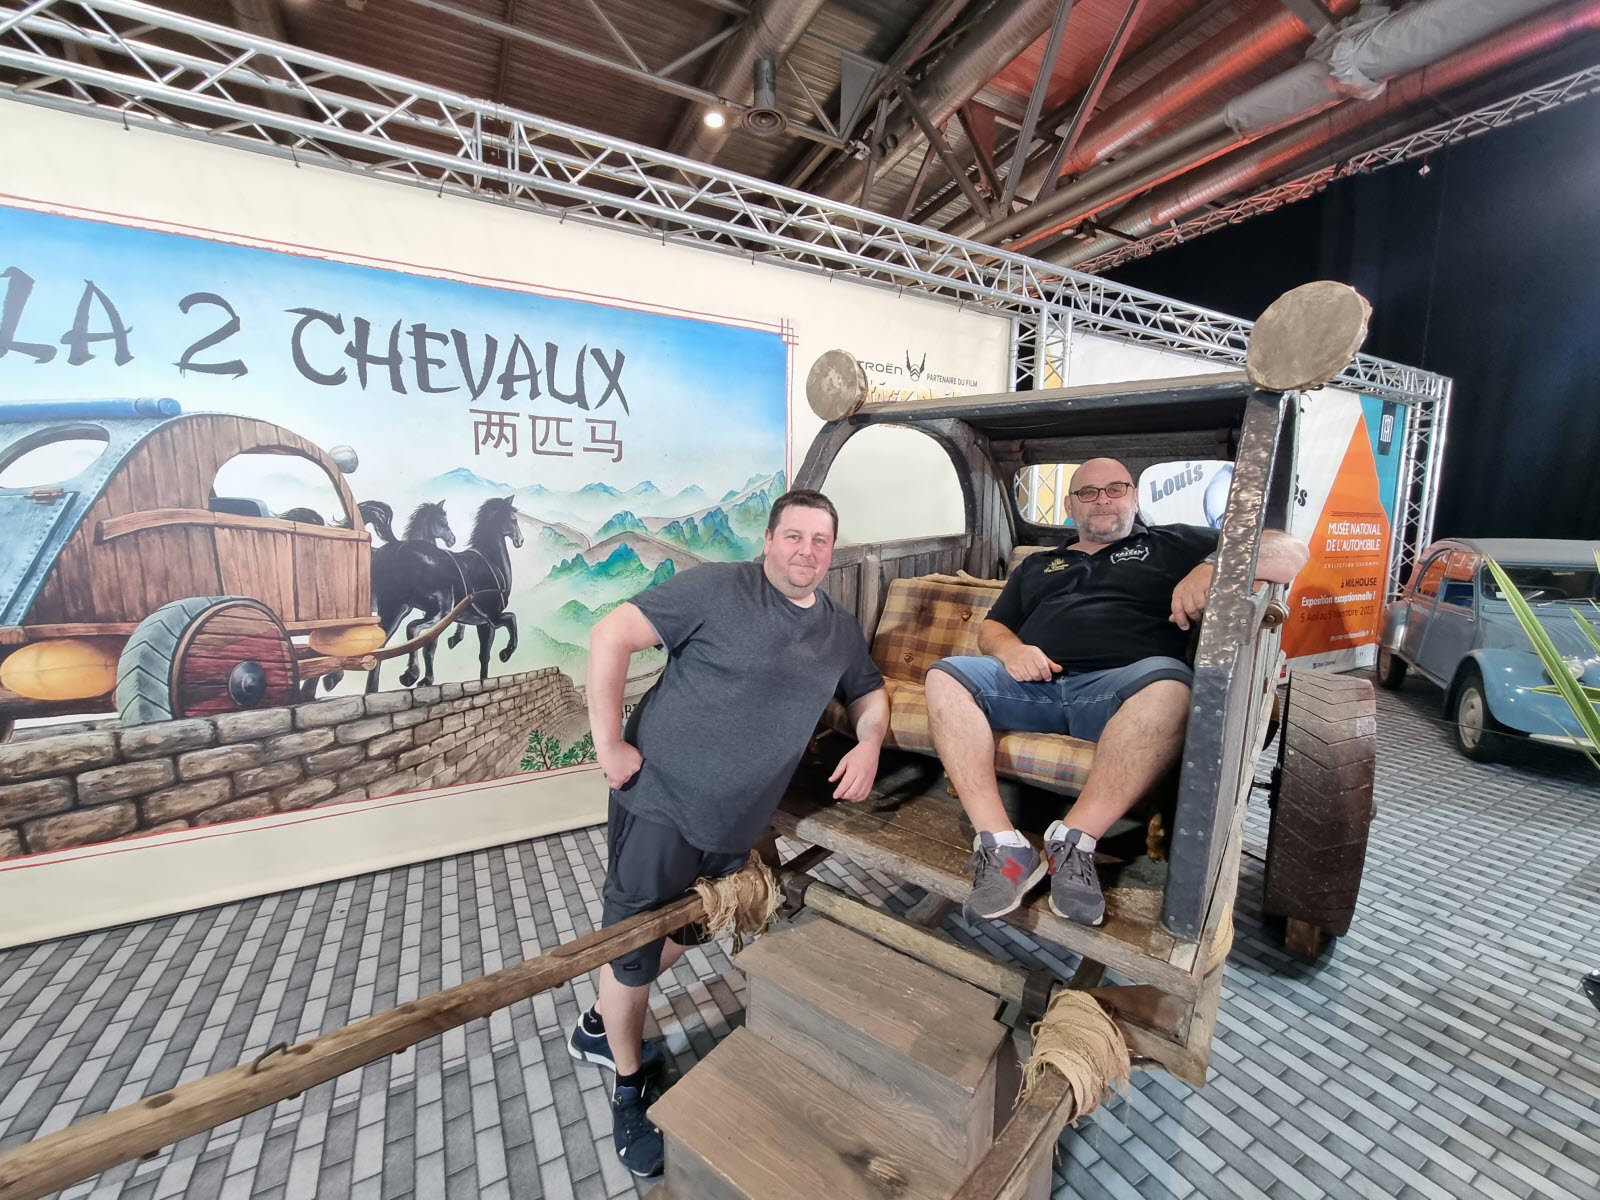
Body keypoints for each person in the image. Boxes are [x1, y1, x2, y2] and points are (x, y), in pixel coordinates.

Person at [567, 488, 889, 1178]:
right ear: (769, 541)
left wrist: (870, 742)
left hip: (735, 823)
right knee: (632, 950)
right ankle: (627, 1085)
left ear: (832, 551)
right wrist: (608, 743)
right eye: (794, 536)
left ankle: (598, 1022)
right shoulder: (716, 589)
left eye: (820, 541)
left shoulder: (836, 627)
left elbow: (869, 690)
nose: (806, 551)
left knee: (689, 934)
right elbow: (610, 635)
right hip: (661, 803)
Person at [925, 458, 1308, 927]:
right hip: (1034, 686)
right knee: (944, 675)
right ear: (1070, 506)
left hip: (1123, 691)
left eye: (1114, 489)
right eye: (1087, 492)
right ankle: (1004, 848)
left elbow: (1288, 551)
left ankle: (1075, 841)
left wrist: (1210, 567)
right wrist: (1011, 649)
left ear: (1135, 497)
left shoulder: (1173, 543)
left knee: (1171, 687)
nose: (1102, 499)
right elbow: (993, 627)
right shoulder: (1041, 565)